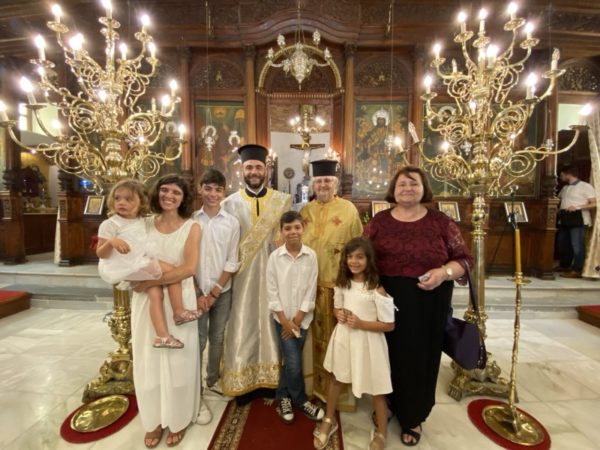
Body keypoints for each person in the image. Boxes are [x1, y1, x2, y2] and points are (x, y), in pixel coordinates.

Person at [364, 165, 472, 446]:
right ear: (393, 190)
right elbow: (363, 255)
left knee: (419, 358)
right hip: (386, 301)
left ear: (424, 189)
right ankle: (387, 404)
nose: (407, 189)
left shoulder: (441, 222)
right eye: (402, 184)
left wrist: (443, 273)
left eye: (414, 183)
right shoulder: (379, 221)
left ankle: (413, 415)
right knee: (387, 354)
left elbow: (464, 260)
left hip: (428, 302)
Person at [130, 175, 202, 448]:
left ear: (184, 199)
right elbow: (131, 258)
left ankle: (178, 418)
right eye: (164, 190)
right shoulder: (144, 224)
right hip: (147, 301)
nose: (169, 196)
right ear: (156, 193)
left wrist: (150, 282)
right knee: (148, 358)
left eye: (176, 192)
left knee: (178, 361)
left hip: (179, 298)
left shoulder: (192, 227)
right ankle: (154, 419)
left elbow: (189, 268)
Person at [221, 144, 292, 402]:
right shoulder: (229, 203)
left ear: (266, 170)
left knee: (271, 323)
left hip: (274, 274)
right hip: (242, 277)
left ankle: (271, 379)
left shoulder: (282, 201)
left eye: (258, 167)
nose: (253, 171)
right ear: (242, 170)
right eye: (249, 167)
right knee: (243, 323)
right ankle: (243, 380)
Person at [96, 179, 200, 350]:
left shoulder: (140, 220)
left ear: (141, 202)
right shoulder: (112, 224)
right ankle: (179, 311)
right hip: (132, 264)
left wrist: (148, 283)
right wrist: (112, 242)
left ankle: (162, 336)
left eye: (128, 199)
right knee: (172, 270)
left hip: (141, 264)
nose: (121, 203)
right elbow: (101, 253)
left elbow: (190, 268)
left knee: (155, 294)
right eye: (117, 198)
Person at [313, 237, 395, 450]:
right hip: (345, 339)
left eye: (359, 257)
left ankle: (381, 432)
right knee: (336, 378)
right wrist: (338, 314)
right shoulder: (343, 284)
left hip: (369, 344)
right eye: (350, 257)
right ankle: (329, 419)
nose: (354, 261)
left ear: (369, 259)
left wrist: (361, 323)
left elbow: (389, 325)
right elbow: (337, 307)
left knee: (377, 388)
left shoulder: (376, 289)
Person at [300, 159, 363, 410]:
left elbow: (358, 247)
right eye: (318, 181)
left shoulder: (348, 209)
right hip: (309, 288)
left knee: (339, 341)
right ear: (313, 184)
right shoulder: (305, 211)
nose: (323, 185)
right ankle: (312, 388)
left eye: (327, 180)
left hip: (338, 287)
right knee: (311, 341)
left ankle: (340, 396)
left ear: (335, 183)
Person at [192, 169, 241, 424]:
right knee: (198, 339)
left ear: (224, 192)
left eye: (218, 189)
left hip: (222, 291)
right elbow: (186, 259)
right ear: (200, 188)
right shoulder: (191, 220)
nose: (213, 194)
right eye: (208, 188)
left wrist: (215, 291)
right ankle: (195, 386)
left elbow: (232, 260)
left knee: (218, 337)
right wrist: (198, 292)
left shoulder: (231, 222)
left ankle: (212, 379)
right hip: (196, 291)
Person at [267, 211, 324, 424]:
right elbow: (272, 291)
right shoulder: (275, 258)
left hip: (302, 319)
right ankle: (300, 400)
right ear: (281, 231)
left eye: (297, 227)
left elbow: (311, 289)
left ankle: (282, 395)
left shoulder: (311, 256)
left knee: (291, 361)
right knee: (293, 363)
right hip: (281, 320)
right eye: (288, 228)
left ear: (303, 228)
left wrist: (297, 320)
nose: (293, 232)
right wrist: (285, 322)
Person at [556, 164, 597, 278]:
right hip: (565, 218)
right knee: (563, 244)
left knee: (577, 245)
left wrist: (577, 207)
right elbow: (559, 201)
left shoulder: (585, 186)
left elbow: (594, 203)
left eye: (561, 175)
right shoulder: (565, 188)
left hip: (578, 219)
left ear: (568, 174)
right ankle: (565, 266)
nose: (560, 177)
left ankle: (577, 270)